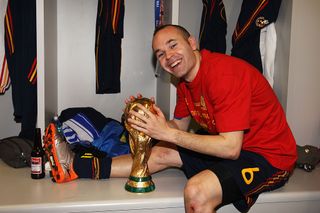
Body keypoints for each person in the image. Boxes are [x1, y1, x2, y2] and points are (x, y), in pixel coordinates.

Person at [44, 24, 297, 213]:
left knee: (197, 191)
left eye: (173, 45)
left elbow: (230, 148)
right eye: (160, 53)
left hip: (269, 157)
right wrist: (149, 121)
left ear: (192, 43)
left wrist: (168, 133)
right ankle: (74, 166)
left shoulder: (224, 74)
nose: (168, 56)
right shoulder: (185, 83)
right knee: (160, 153)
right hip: (233, 147)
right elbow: (179, 127)